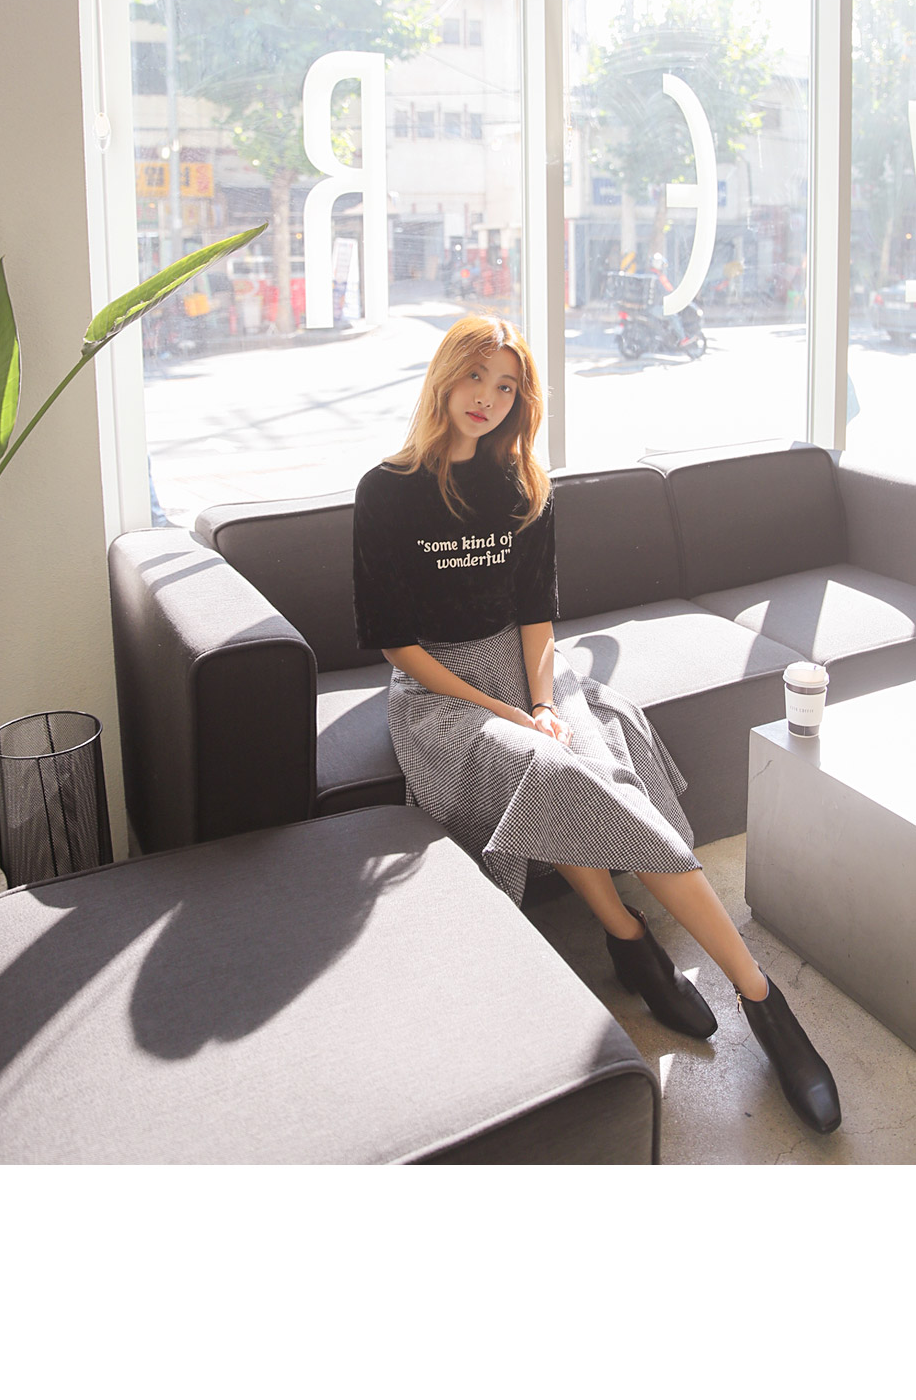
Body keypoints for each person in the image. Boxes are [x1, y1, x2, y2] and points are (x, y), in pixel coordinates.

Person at [352, 313, 841, 1135]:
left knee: (589, 757)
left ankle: (750, 998)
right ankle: (643, 943)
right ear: (446, 374)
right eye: (475, 376)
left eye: (506, 386)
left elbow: (537, 621)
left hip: (529, 671)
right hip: (440, 697)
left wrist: (543, 703)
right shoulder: (387, 490)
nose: (487, 398)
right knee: (549, 768)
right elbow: (397, 645)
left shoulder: (523, 486)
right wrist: (507, 713)